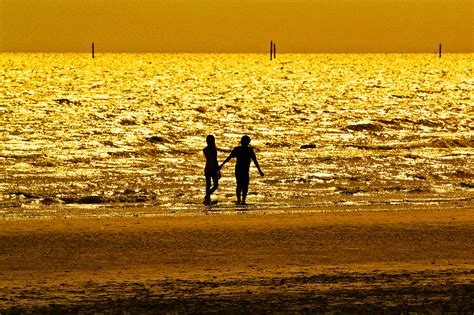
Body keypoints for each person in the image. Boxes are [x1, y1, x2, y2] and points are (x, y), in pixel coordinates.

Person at [219, 135, 264, 205]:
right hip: (240, 170)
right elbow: (229, 157)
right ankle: (240, 200)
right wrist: (222, 165)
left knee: (243, 185)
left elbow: (255, 160)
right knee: (241, 185)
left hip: (243, 170)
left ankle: (241, 200)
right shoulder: (241, 149)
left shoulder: (247, 150)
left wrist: (259, 170)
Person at [203, 135, 220, 204]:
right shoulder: (213, 149)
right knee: (215, 185)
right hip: (213, 168)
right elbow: (215, 160)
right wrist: (218, 170)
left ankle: (207, 197)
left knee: (208, 185)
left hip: (207, 168)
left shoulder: (205, 150)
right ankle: (207, 196)